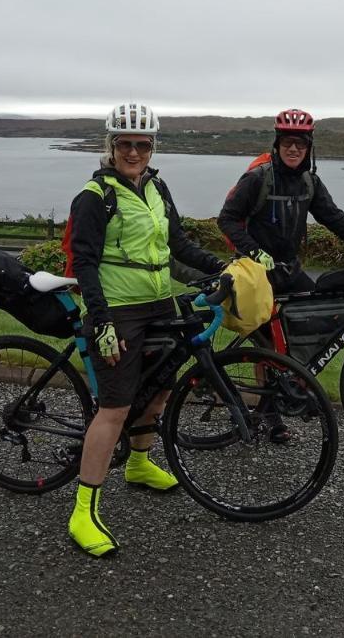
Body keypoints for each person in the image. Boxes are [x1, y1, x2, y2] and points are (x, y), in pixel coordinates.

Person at [67, 101, 224, 558]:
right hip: (118, 308)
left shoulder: (157, 187)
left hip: (157, 302)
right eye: (126, 144)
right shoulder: (95, 197)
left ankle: (137, 464)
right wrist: (101, 321)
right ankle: (82, 512)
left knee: (159, 387)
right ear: (111, 146)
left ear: (153, 147)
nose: (134, 152)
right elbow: (85, 264)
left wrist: (223, 265)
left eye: (142, 144)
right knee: (113, 408)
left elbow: (179, 244)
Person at [218, 107, 344, 295]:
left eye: (300, 143)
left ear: (308, 147)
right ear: (277, 145)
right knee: (267, 323)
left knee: (322, 314)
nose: (293, 149)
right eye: (287, 142)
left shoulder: (310, 183)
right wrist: (255, 252)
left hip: (289, 270)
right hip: (255, 272)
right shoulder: (257, 179)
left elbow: (336, 221)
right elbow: (227, 219)